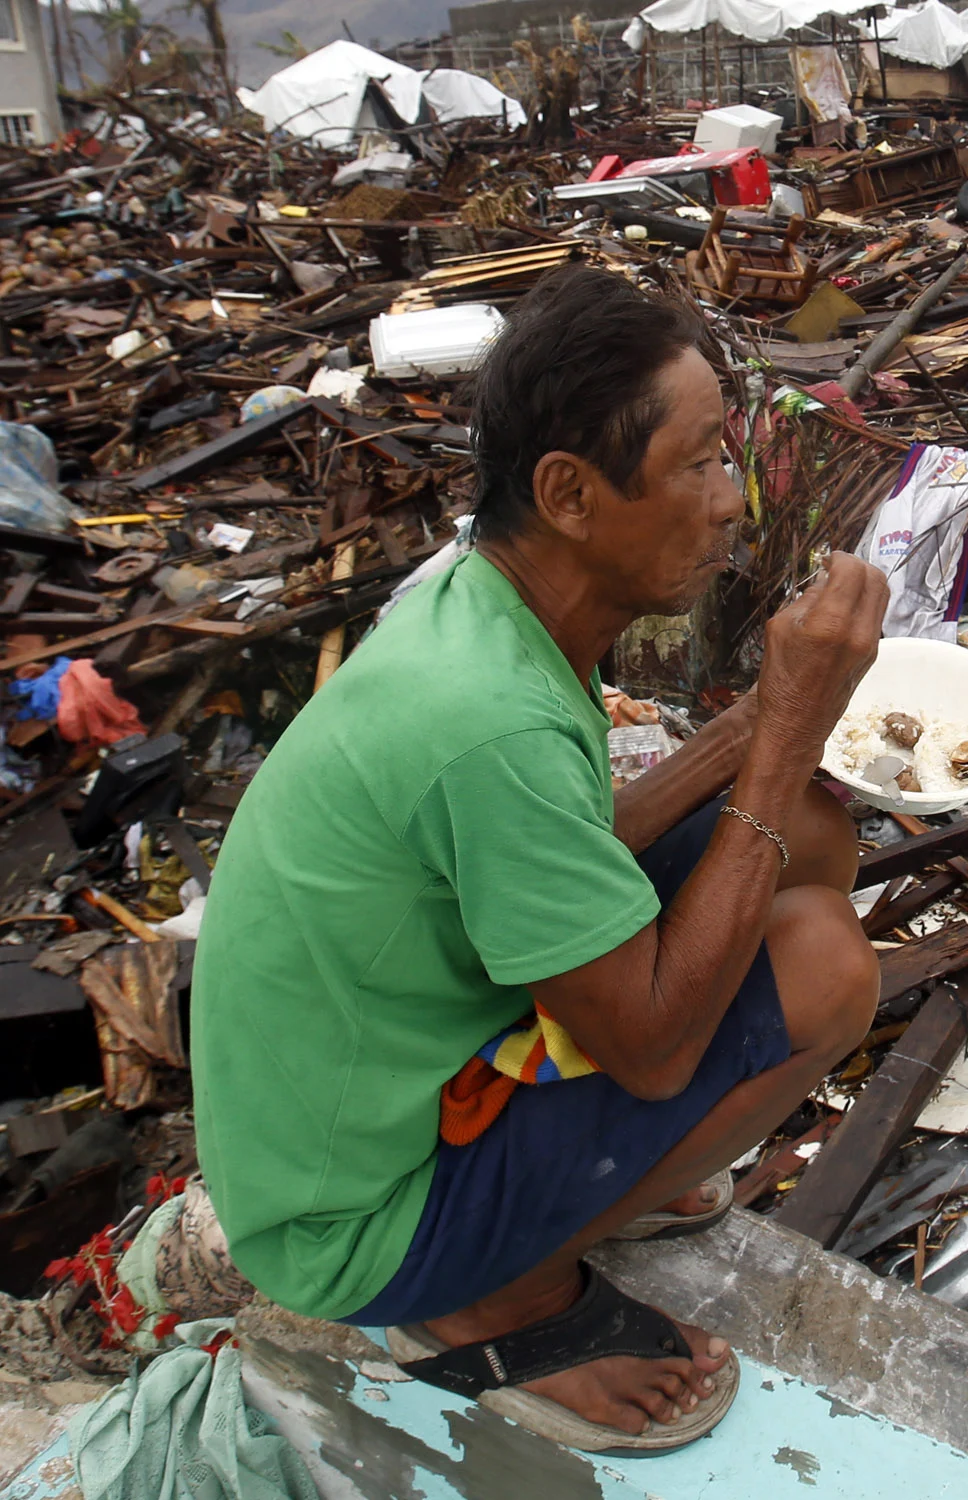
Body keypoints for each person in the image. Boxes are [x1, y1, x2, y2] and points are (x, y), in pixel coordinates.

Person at [190, 266, 887, 1453]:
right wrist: (780, 742)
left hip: (408, 1051)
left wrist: (751, 731)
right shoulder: (488, 721)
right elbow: (654, 1052)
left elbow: (559, 856)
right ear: (568, 492)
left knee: (808, 838)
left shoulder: (481, 606)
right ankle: (494, 1295)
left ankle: (589, 1182)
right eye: (698, 465)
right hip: (352, 1221)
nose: (731, 504)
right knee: (824, 965)